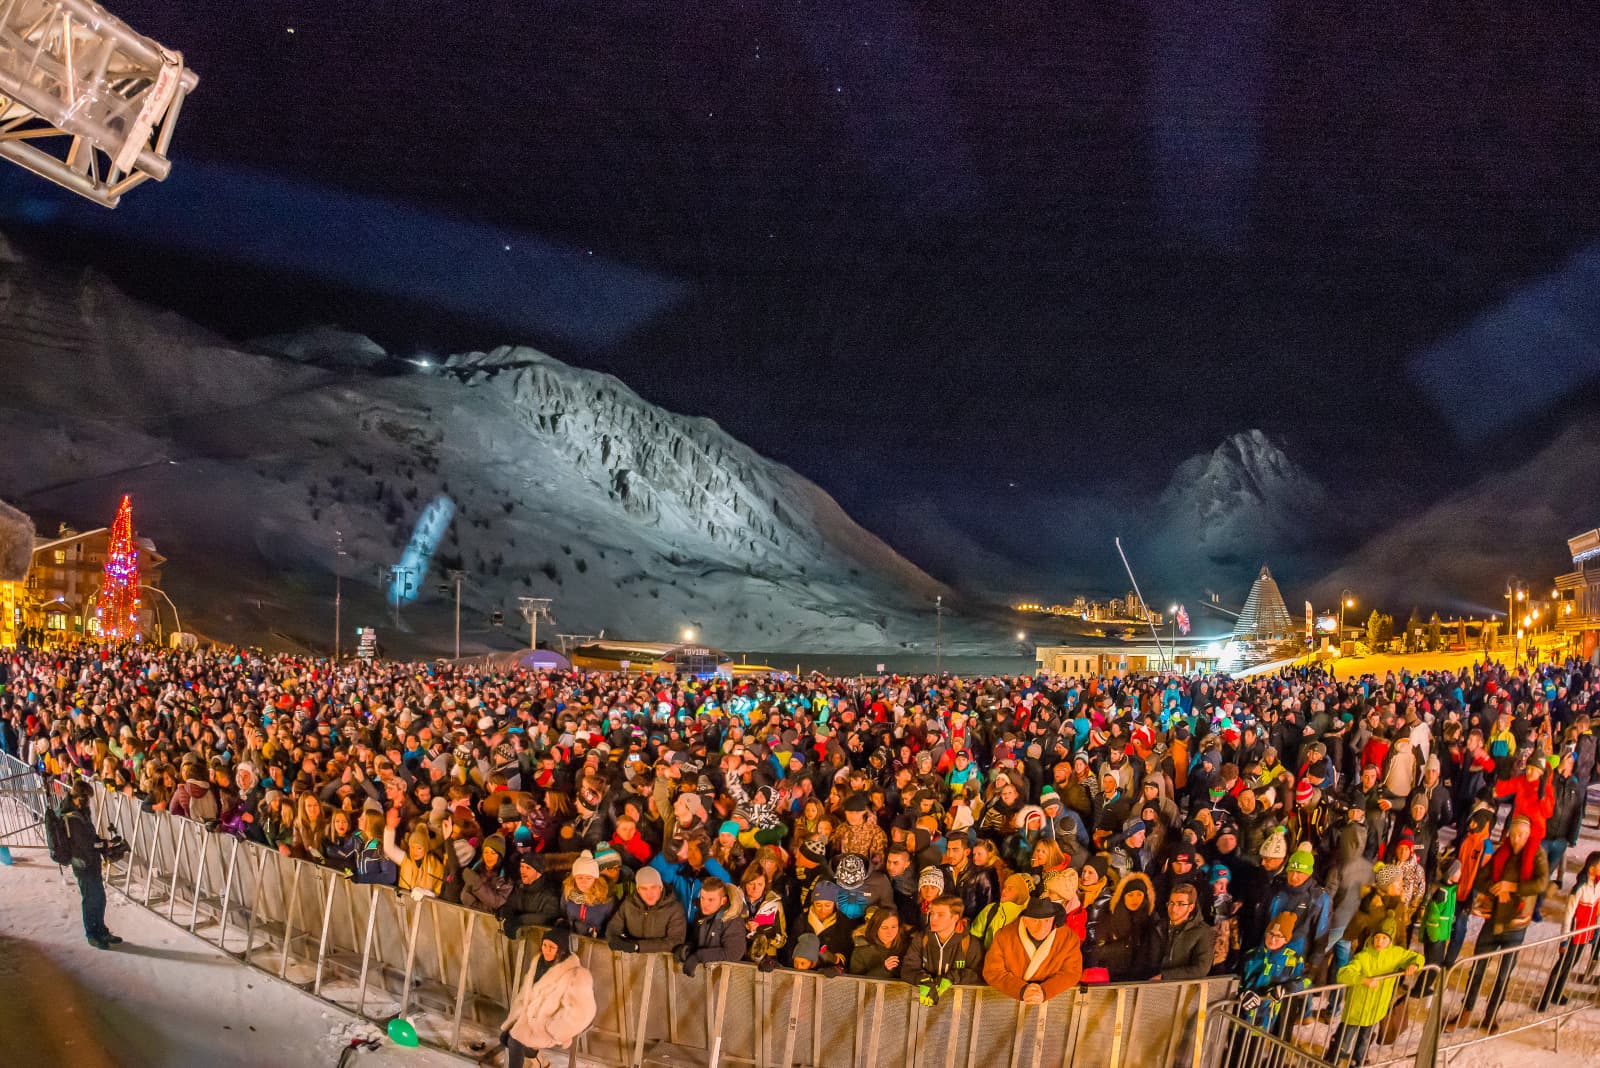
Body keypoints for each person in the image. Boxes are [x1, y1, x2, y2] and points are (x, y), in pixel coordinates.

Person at [1452, 814, 1548, 1033]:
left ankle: (1491, 1014)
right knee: (1478, 967)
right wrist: (1496, 889)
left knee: (1504, 974)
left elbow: (1541, 882)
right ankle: (1466, 1009)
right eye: (1513, 835)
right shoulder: (1502, 852)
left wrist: (1512, 887)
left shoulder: (1536, 854)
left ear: (1528, 835)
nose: (1516, 839)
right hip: (1494, 920)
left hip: (1515, 924)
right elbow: (1480, 878)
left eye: (1521, 835)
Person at [499, 923, 596, 1068]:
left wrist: (554, 1029)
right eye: (544, 945)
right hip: (529, 1018)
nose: (546, 950)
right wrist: (517, 1015)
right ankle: (538, 1059)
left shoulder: (576, 974)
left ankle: (534, 1059)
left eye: (552, 947)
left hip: (546, 1025)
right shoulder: (538, 961)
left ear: (561, 950)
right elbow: (526, 993)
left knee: (515, 1042)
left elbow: (582, 1012)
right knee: (505, 1038)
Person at [1328, 920, 1421, 1068]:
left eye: (1384, 938)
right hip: (1356, 1009)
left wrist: (1414, 965)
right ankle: (1334, 1060)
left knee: (1364, 1040)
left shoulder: (1396, 954)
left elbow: (1417, 957)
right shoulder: (1363, 956)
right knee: (1344, 1038)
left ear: (1390, 940)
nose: (1380, 941)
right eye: (1377, 937)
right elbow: (1343, 974)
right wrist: (1362, 979)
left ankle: (1357, 1061)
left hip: (1376, 1009)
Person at [983, 896, 1084, 1003]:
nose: (1042, 927)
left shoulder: (1068, 938)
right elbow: (993, 971)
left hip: (1054, 1001)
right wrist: (1021, 990)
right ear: (1024, 920)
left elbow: (1071, 972)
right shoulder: (1004, 935)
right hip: (1008, 999)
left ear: (1054, 919)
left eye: (1047, 921)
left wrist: (1045, 991)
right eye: (1035, 921)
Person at [62, 779, 121, 948]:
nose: (88, 802)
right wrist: (103, 844)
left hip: (91, 860)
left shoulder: (81, 812)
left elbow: (90, 836)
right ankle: (92, 934)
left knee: (100, 898)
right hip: (82, 864)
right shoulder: (71, 818)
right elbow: (85, 844)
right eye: (87, 799)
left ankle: (101, 930)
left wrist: (101, 843)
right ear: (79, 798)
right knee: (90, 899)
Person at [1538, 850, 1600, 1011]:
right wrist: (1564, 939)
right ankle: (1545, 998)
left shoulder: (1597, 885)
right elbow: (1568, 915)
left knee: (1571, 964)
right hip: (1574, 933)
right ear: (1591, 868)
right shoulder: (1579, 888)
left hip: (1585, 933)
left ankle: (1557, 993)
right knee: (1561, 966)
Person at [901, 895, 984, 1006]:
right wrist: (923, 980)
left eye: (940, 915)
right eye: (932, 913)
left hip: (959, 1006)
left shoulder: (970, 943)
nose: (933, 918)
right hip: (924, 1004)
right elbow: (908, 968)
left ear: (955, 918)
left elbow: (978, 974)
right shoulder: (922, 938)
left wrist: (952, 978)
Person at [605, 865, 687, 954]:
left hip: (661, 960)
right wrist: (615, 940)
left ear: (661, 887)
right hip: (631, 959)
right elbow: (613, 928)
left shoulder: (674, 908)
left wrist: (638, 946)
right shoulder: (628, 904)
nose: (649, 893)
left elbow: (675, 941)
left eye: (653, 887)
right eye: (644, 888)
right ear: (638, 890)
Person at [678, 876, 746, 976]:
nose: (705, 904)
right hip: (704, 976)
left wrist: (699, 956)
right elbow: (695, 939)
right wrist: (687, 949)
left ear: (723, 901)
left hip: (726, 978)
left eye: (711, 900)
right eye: (702, 898)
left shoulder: (732, 920)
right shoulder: (700, 914)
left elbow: (733, 953)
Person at [1154, 883, 1215, 980]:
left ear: (1191, 907)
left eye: (1180, 904)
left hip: (1183, 985)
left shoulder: (1203, 932)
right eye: (1171, 903)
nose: (1174, 909)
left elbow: (1201, 969)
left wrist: (1165, 976)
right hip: (1151, 983)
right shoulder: (1159, 927)